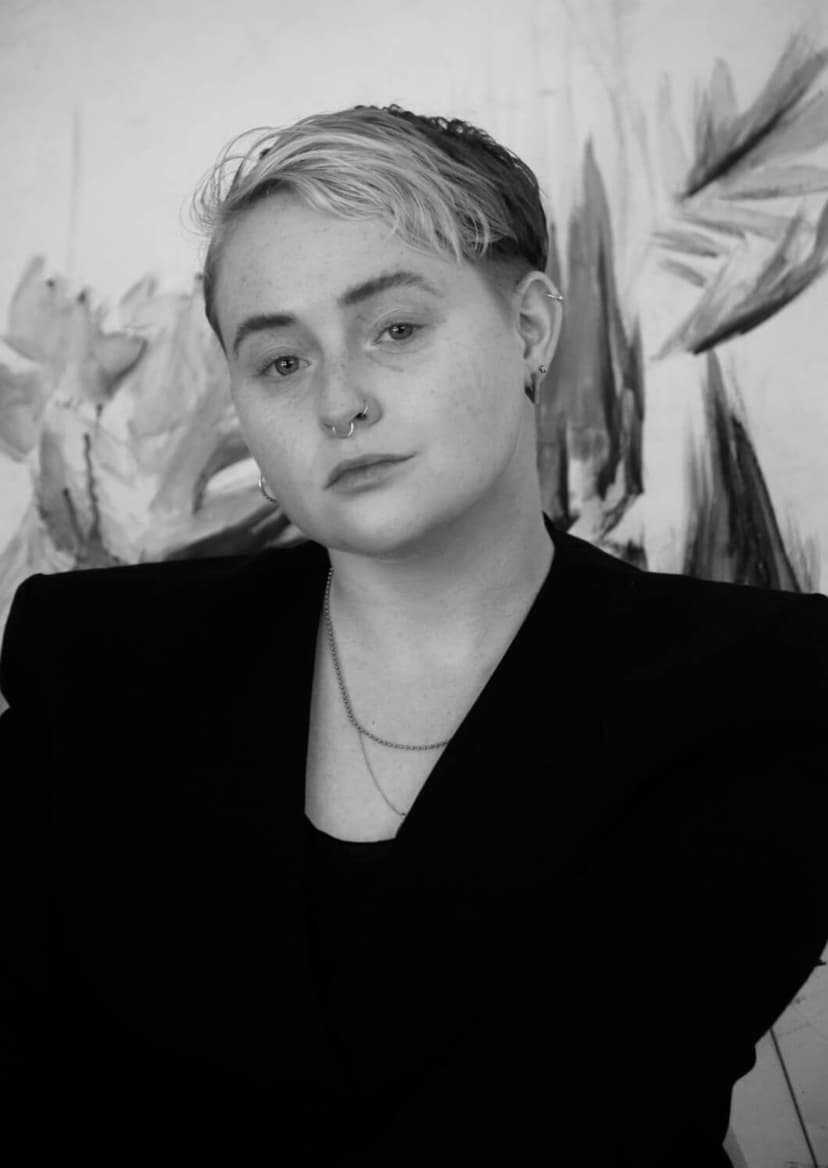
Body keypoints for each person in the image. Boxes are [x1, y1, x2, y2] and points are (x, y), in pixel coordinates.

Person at [1, 103, 826, 1168]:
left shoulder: (765, 687)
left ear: (530, 328)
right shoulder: (95, 666)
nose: (339, 402)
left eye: (394, 327)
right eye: (281, 361)